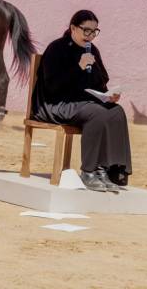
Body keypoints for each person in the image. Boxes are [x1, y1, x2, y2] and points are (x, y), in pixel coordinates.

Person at [32, 10, 132, 192]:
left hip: (83, 103)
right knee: (98, 113)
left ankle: (110, 169)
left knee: (116, 111)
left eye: (94, 32)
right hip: (55, 104)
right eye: (86, 31)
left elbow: (101, 81)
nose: (90, 36)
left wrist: (108, 95)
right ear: (73, 28)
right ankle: (89, 171)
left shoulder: (92, 50)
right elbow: (53, 86)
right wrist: (78, 67)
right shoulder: (57, 48)